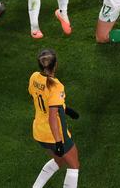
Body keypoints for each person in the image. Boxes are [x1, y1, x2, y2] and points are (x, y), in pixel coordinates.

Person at [28, 49, 81, 188]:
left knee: (58, 161)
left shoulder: (34, 77)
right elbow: (52, 117)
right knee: (74, 166)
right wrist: (58, 142)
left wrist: (65, 108)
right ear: (55, 64)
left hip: (39, 131)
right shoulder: (56, 86)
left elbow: (40, 98)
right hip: (54, 134)